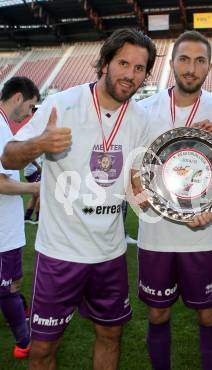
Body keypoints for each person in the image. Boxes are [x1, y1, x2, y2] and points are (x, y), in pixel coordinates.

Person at [1, 28, 157, 370]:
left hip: (110, 254)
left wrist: (172, 201)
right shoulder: (62, 104)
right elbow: (9, 157)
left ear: (146, 75)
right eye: (123, 63)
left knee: (111, 336)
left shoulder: (142, 119)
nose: (130, 74)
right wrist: (38, 145)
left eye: (139, 68)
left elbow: (136, 182)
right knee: (42, 351)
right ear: (104, 63)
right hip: (60, 254)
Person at [136, 30, 212, 370]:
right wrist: (139, 193)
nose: (191, 68)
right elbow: (135, 169)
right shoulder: (145, 109)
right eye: (185, 59)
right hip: (156, 234)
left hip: (201, 234)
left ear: (209, 66)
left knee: (207, 314)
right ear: (172, 63)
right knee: (158, 314)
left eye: (200, 61)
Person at [0, 76, 40, 359]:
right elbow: (2, 183)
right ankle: (25, 332)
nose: (29, 113)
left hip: (6, 228)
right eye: (30, 106)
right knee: (7, 287)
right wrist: (37, 187)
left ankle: (24, 327)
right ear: (17, 98)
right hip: (4, 229)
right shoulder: (2, 130)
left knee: (8, 286)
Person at [23, 156, 42, 224]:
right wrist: (38, 166)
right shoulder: (32, 145)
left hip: (32, 172)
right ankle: (38, 219)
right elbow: (29, 157)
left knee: (35, 196)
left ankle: (27, 217)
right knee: (41, 194)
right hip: (34, 172)